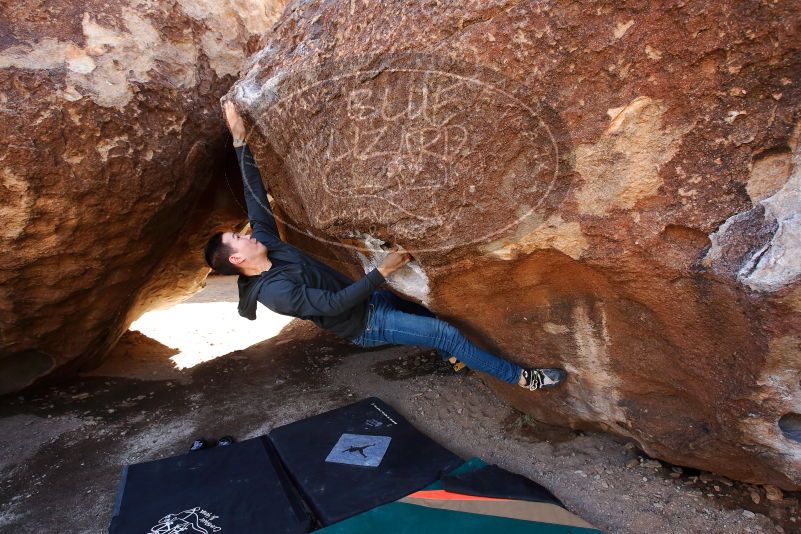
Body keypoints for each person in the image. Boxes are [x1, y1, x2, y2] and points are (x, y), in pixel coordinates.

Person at [203, 101, 566, 391]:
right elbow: (333, 305)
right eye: (240, 238)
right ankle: (523, 379)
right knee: (445, 332)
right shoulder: (275, 293)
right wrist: (384, 270)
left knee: (431, 315)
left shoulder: (266, 243)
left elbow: (255, 199)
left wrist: (240, 139)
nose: (248, 234)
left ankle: (452, 356)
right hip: (365, 324)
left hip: (369, 299)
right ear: (237, 258)